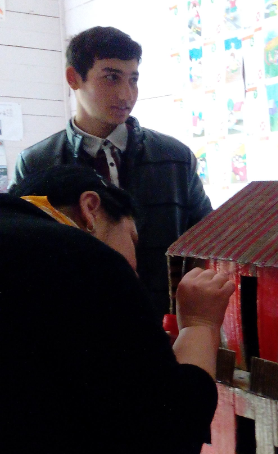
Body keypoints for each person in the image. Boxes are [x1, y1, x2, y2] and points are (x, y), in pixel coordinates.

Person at [1, 165, 234, 454]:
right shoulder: (83, 259)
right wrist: (199, 324)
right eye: (132, 238)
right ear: (90, 209)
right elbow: (170, 435)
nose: (134, 268)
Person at [11, 26, 212, 322]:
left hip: (167, 324)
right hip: (76, 327)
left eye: (133, 80)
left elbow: (205, 241)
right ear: (73, 78)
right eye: (111, 77)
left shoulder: (175, 157)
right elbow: (23, 256)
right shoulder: (37, 163)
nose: (126, 94)